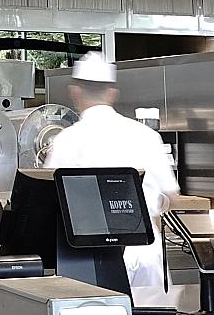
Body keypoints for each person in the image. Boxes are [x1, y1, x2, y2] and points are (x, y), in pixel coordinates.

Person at [43, 53, 184, 290]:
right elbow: (172, 197)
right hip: (146, 251)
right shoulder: (146, 136)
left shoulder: (66, 141)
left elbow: (49, 198)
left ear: (74, 92)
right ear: (112, 93)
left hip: (92, 257)